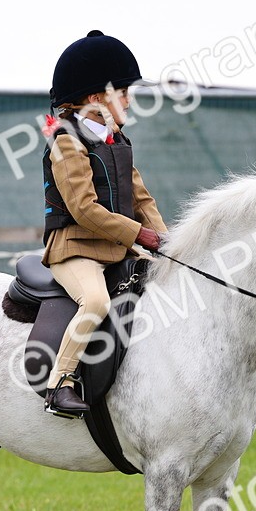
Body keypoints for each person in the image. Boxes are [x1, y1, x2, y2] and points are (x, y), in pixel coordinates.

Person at [40, 30, 168, 418]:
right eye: (124, 92)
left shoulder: (117, 141)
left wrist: (167, 240)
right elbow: (84, 209)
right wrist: (139, 234)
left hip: (117, 249)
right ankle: (59, 383)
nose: (129, 100)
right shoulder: (66, 142)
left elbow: (142, 198)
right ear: (97, 98)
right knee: (95, 301)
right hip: (75, 250)